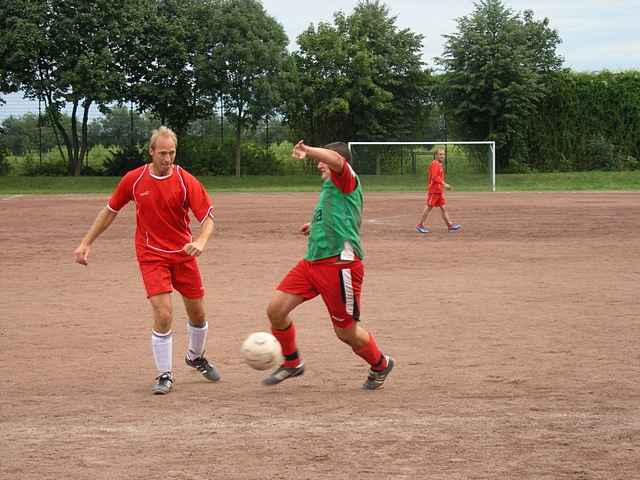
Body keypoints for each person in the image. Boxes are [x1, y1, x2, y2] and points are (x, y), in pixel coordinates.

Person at [73, 126, 220, 395]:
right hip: (151, 254)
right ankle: (164, 374)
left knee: (198, 315)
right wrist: (86, 242)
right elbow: (110, 211)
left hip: (183, 254)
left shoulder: (186, 181)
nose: (167, 158)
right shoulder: (134, 179)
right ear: (151, 152)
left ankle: (195, 357)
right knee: (163, 313)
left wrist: (200, 241)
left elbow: (208, 218)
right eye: (162, 153)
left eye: (172, 153)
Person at [263, 140, 394, 390]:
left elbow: (337, 161)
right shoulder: (330, 188)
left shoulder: (346, 178)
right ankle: (292, 363)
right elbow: (339, 216)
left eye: (325, 160)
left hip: (339, 266)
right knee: (276, 311)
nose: (320, 165)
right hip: (312, 263)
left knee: (346, 332)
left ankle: (380, 363)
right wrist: (314, 227)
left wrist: (310, 151)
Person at [415, 148, 461, 233]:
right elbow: (434, 177)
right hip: (434, 191)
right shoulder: (435, 163)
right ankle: (420, 225)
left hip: (438, 191)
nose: (442, 156)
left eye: (443, 154)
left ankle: (450, 226)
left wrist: (442, 186)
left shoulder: (439, 164)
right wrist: (445, 184)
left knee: (443, 208)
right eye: (440, 154)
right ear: (436, 155)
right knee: (428, 207)